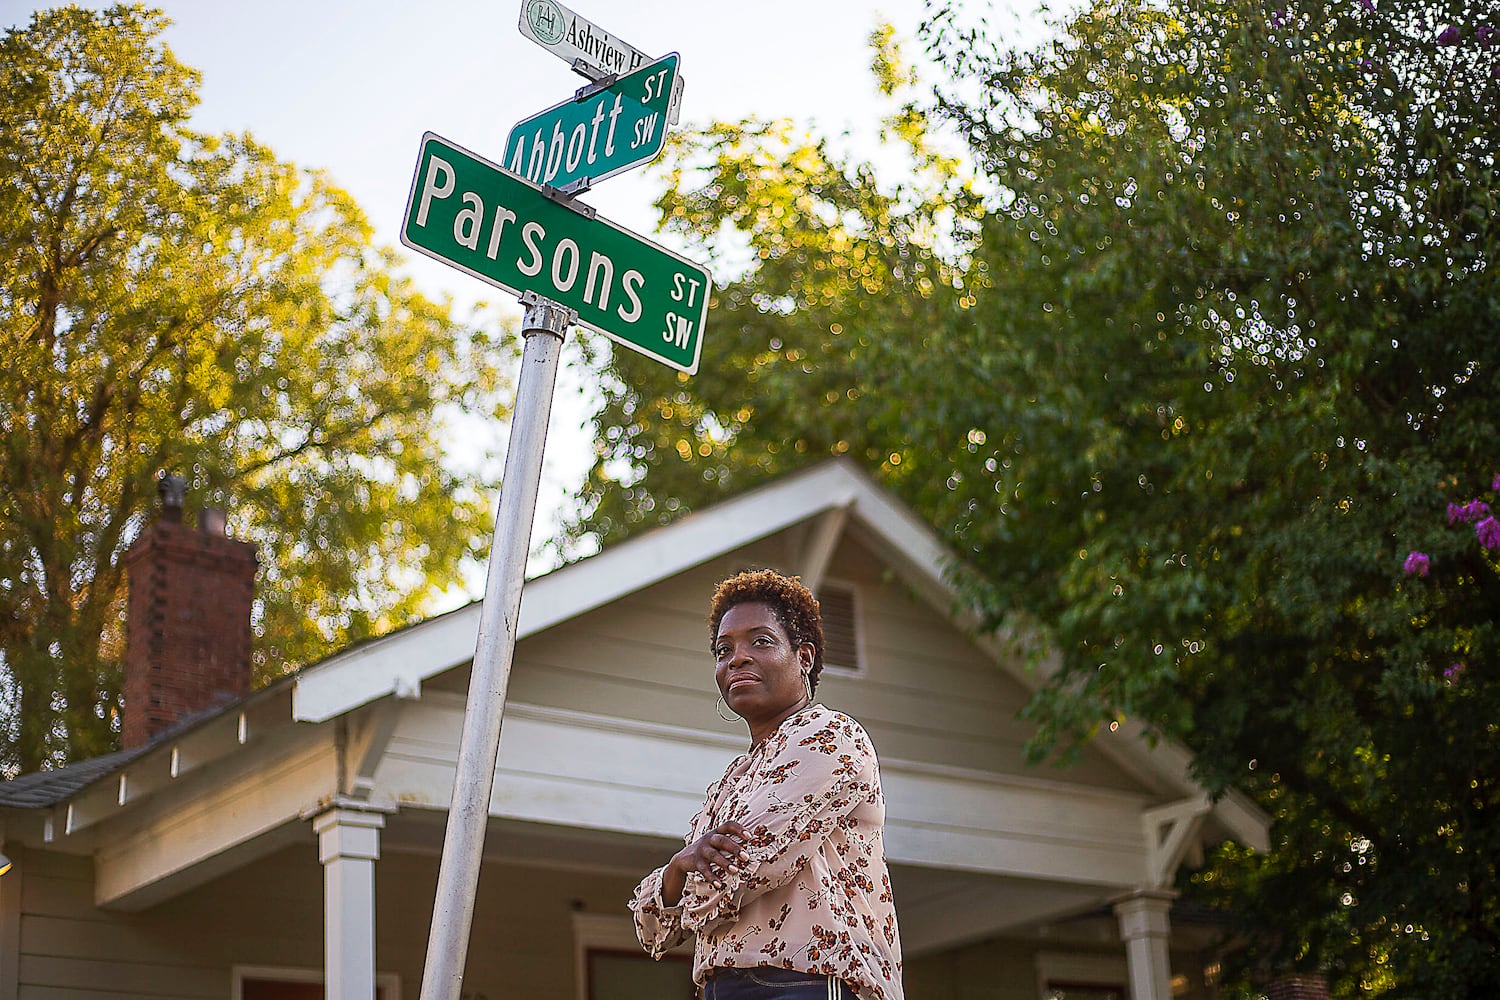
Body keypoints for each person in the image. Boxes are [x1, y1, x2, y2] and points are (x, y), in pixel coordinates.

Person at [630, 569, 904, 1000]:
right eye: (724, 649)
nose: (736, 658)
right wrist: (680, 869)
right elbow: (651, 931)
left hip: (811, 984)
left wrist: (680, 877)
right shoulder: (731, 781)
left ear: (805, 657)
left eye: (760, 641)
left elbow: (749, 865)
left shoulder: (828, 736)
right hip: (721, 988)